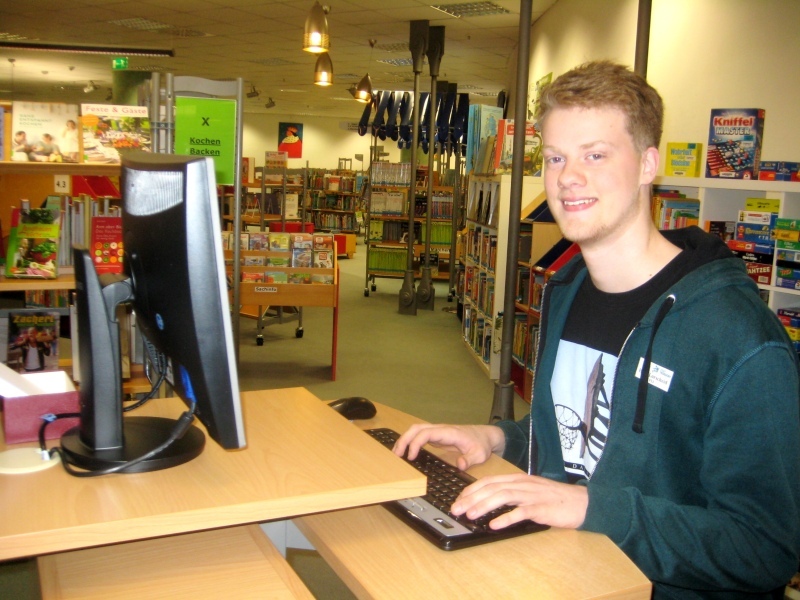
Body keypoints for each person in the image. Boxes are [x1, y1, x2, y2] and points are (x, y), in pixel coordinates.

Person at [394, 60, 800, 597]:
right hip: (563, 571)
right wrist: (497, 439)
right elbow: (576, 443)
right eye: (556, 157)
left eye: (595, 155)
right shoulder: (567, 291)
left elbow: (765, 547)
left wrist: (593, 509)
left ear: (648, 164)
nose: (568, 177)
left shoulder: (738, 338)